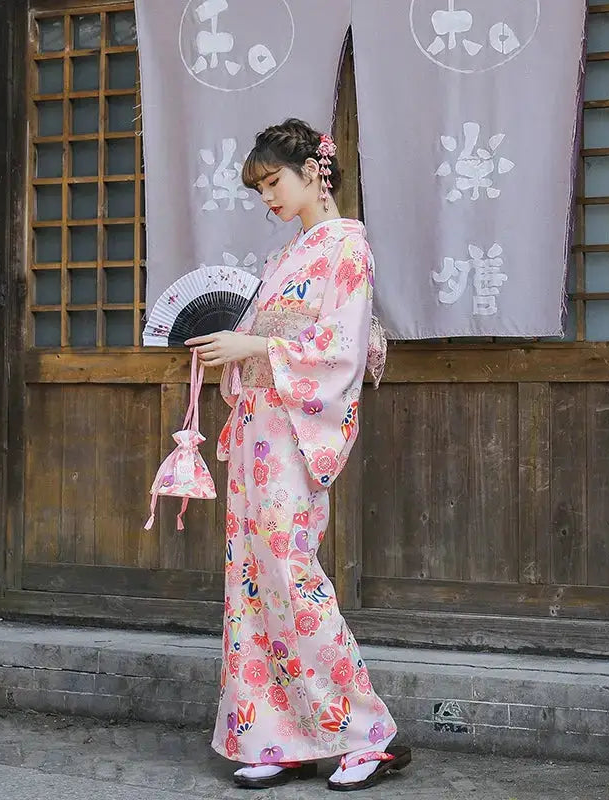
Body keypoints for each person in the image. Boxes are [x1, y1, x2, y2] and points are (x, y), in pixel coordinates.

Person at [185, 118, 410, 792]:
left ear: (315, 172)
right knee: (251, 583)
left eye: (273, 183)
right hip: (258, 429)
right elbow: (257, 340)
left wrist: (253, 348)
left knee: (291, 574)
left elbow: (339, 350)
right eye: (259, 191)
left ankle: (369, 733)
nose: (268, 200)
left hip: (292, 432)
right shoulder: (288, 255)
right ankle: (276, 735)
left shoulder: (345, 248)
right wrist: (229, 352)